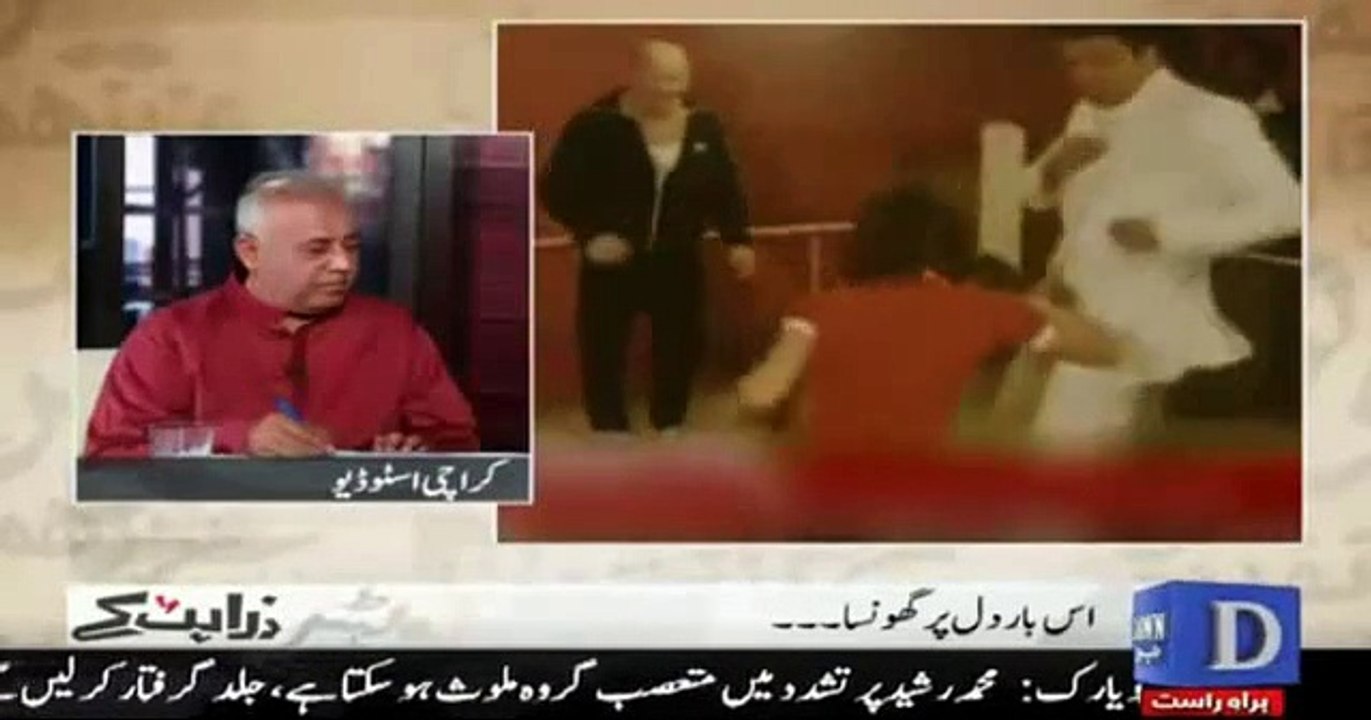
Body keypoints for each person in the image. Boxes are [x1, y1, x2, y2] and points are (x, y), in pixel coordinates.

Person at [1022, 26, 1301, 450]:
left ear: (1149, 54)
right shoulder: (1087, 113)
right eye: (1073, 63)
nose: (1085, 76)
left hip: (1145, 310)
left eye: (1101, 60)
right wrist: (1053, 170)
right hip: (1068, 300)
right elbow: (1035, 195)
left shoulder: (1211, 116)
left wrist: (1168, 232)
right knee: (1035, 438)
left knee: (1062, 448)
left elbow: (1287, 208)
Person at [85, 171, 479, 458]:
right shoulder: (171, 336)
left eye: (351, 246)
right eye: (317, 249)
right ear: (250, 253)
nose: (343, 264)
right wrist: (237, 439)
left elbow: (459, 446)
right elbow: (110, 456)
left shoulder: (393, 331)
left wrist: (415, 451)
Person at [735, 191, 1123, 456]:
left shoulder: (819, 309)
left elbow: (761, 394)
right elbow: (1104, 349)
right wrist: (1032, 305)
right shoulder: (983, 308)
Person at [539, 39, 754, 439]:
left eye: (680, 79)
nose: (673, 89)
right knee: (603, 344)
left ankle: (669, 419)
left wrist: (737, 239)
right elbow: (556, 189)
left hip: (677, 255)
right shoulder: (594, 124)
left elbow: (725, 188)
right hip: (612, 257)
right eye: (663, 79)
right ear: (636, 76)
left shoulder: (704, 126)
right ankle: (609, 425)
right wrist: (590, 237)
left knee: (681, 341)